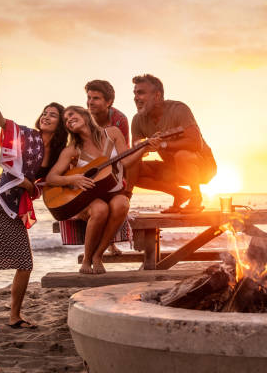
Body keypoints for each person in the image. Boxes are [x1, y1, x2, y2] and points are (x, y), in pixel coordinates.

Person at [0, 68, 68, 335]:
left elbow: (50, 180)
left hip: (16, 206)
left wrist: (32, 185)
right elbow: (1, 122)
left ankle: (15, 316)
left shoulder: (59, 152)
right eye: (45, 112)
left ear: (60, 124)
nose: (47, 117)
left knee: (25, 263)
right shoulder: (27, 136)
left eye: (54, 115)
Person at [46, 106, 160, 274]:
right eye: (65, 120)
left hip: (113, 192)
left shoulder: (112, 133)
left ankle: (98, 255)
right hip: (88, 199)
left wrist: (144, 147)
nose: (68, 119)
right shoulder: (72, 150)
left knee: (122, 203)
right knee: (100, 209)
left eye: (71, 114)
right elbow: (51, 178)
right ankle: (86, 259)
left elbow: (127, 161)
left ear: (84, 115)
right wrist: (72, 179)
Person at [130, 74, 216, 214]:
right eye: (134, 93)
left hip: (203, 167)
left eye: (141, 93)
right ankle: (180, 194)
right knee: (133, 169)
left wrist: (163, 145)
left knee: (182, 155)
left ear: (157, 96)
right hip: (172, 170)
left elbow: (195, 143)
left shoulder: (179, 109)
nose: (136, 97)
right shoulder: (138, 120)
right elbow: (136, 147)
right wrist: (145, 144)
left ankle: (196, 197)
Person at [84, 79, 130, 255]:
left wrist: (126, 188)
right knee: (99, 207)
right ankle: (97, 251)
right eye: (88, 97)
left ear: (109, 102)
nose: (90, 102)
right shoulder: (83, 119)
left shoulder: (119, 120)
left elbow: (122, 154)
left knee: (118, 202)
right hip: (89, 171)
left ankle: (108, 245)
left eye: (96, 98)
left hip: (114, 169)